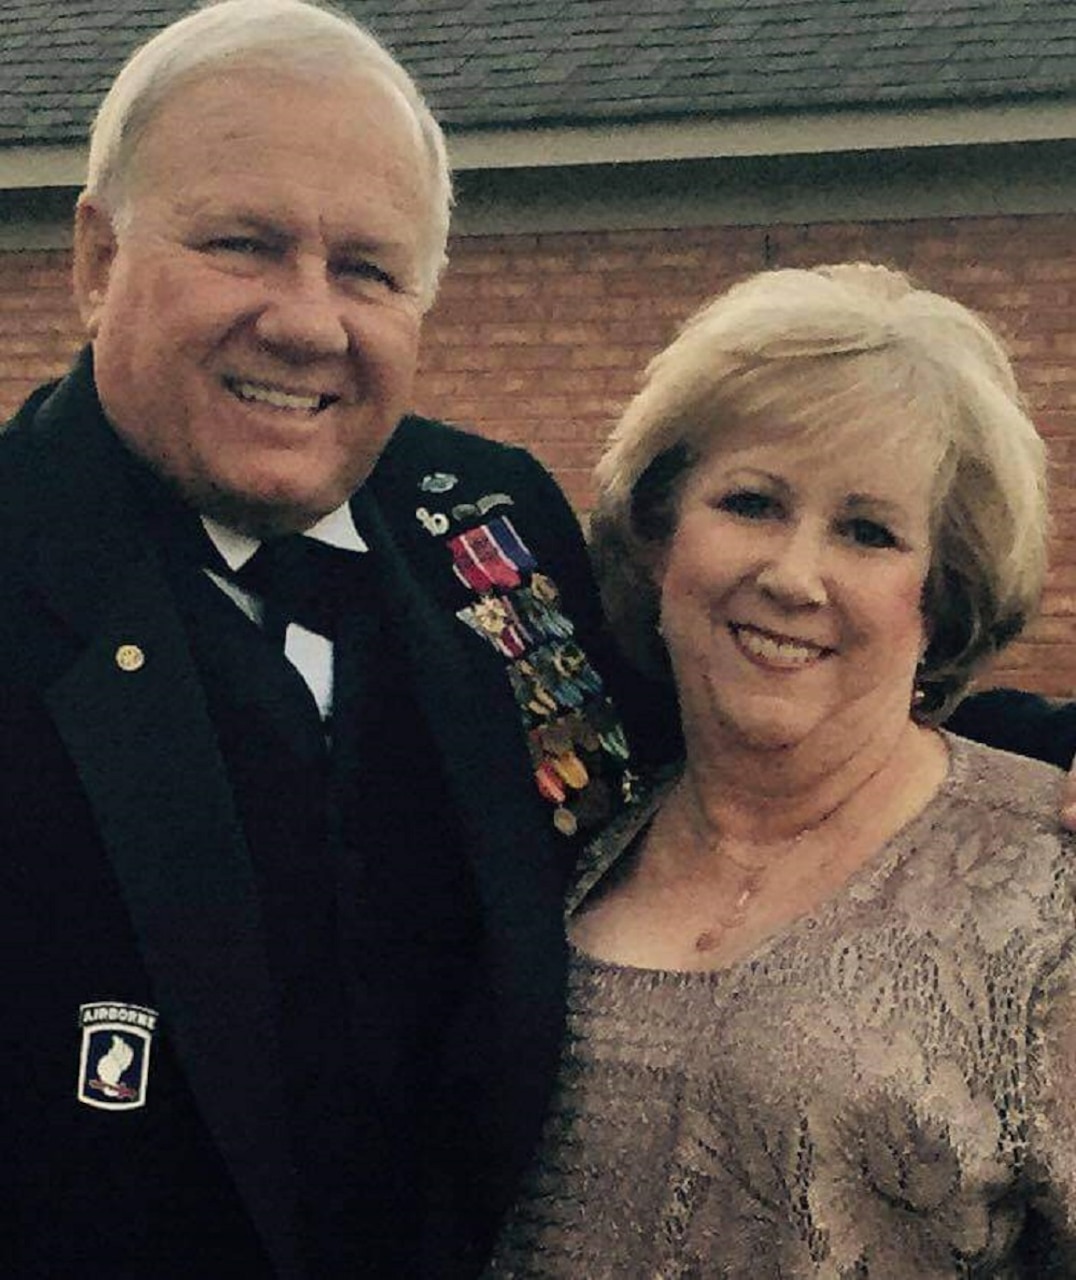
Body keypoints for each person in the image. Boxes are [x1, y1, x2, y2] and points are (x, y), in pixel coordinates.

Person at [0, 1, 663, 1274]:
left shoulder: (487, 516)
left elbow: (701, 729)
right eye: (244, 244)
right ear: (95, 258)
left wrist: (1017, 762)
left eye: (367, 268)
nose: (309, 321)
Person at [488, 263, 1076, 1276]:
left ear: (937, 593)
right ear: (661, 536)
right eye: (751, 502)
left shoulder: (1043, 888)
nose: (793, 576)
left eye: (866, 531)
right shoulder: (563, 833)